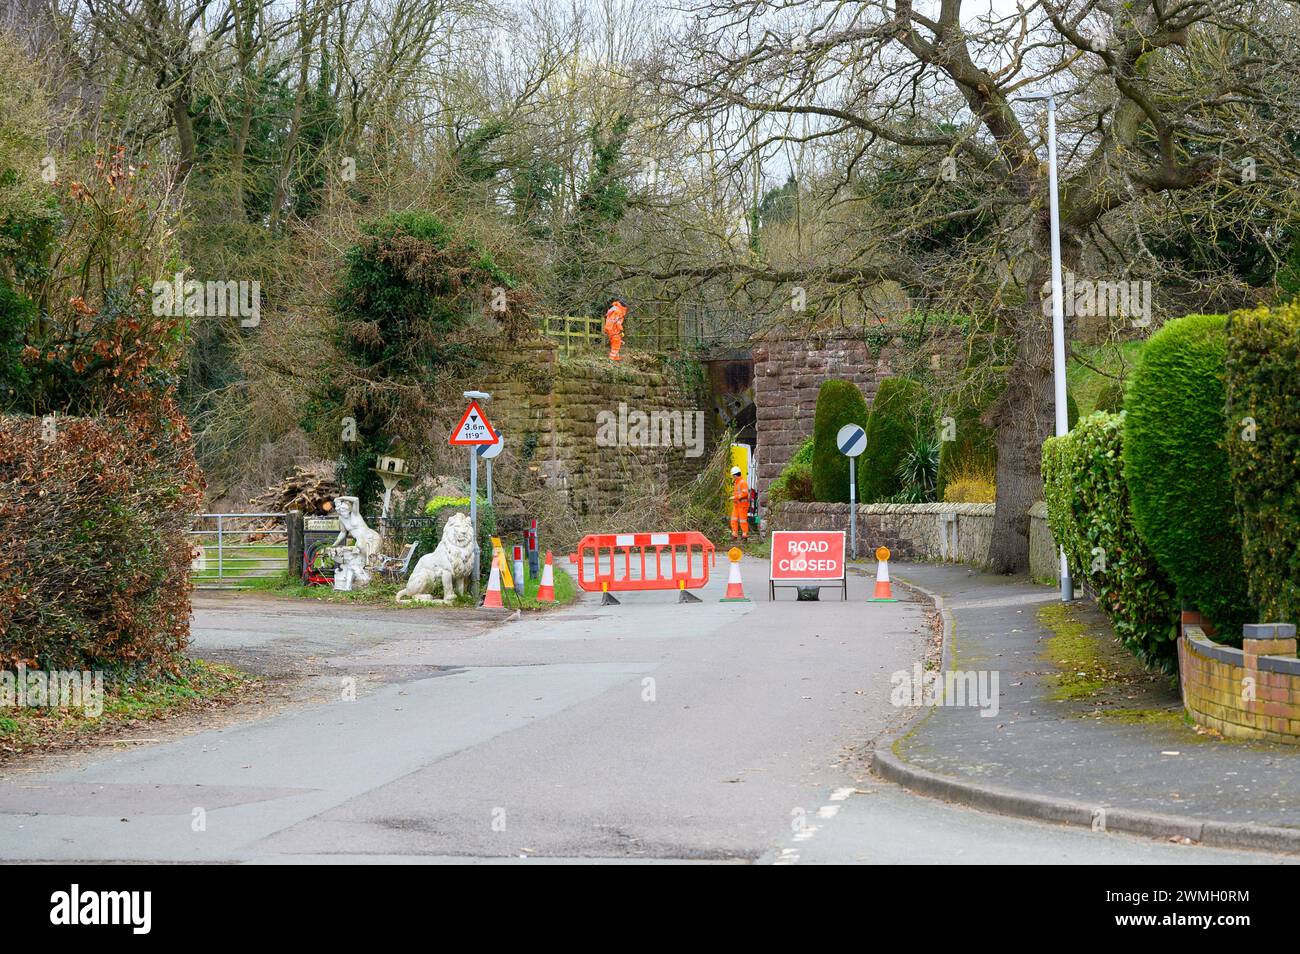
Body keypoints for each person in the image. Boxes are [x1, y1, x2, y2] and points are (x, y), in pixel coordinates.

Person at [729, 465, 750, 542]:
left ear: (735, 475)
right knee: (733, 519)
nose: (732, 477)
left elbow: (745, 494)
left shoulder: (742, 483)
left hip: (742, 505)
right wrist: (735, 498)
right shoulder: (737, 483)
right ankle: (734, 534)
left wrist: (735, 497)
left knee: (742, 520)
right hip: (737, 505)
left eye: (733, 475)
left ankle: (745, 535)